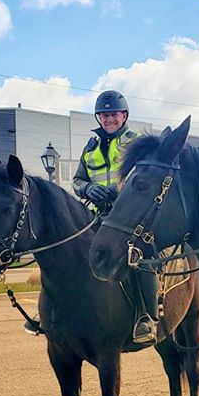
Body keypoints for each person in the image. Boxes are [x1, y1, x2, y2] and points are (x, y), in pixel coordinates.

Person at [59, 89, 159, 344]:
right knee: (68, 253)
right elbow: (78, 180)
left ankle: (147, 316)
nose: (109, 119)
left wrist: (120, 192)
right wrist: (88, 188)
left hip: (128, 216)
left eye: (113, 114)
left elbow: (146, 177)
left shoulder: (137, 142)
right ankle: (59, 312)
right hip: (95, 215)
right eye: (103, 115)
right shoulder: (90, 146)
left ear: (124, 115)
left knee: (140, 256)